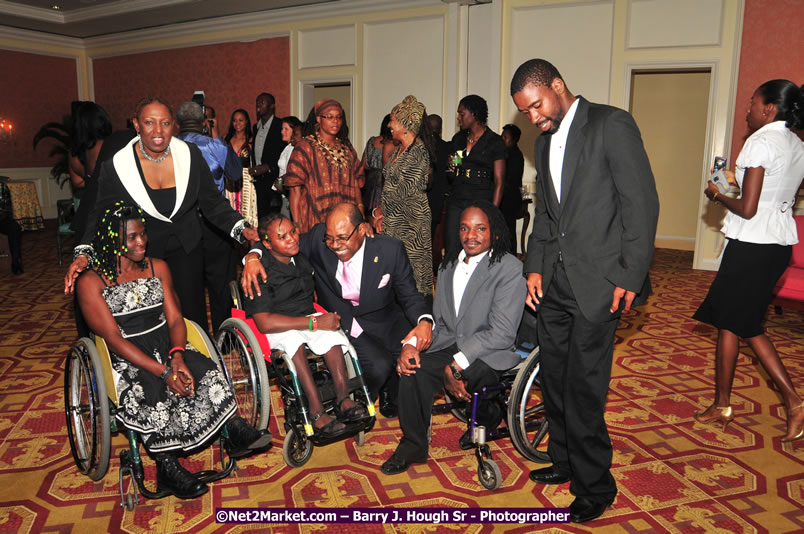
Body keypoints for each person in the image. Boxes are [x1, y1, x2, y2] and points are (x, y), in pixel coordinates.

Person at [510, 59, 659, 523]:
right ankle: (564, 459)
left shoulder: (610, 123)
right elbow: (549, 217)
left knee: (584, 386)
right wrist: (534, 268)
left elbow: (641, 204)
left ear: (558, 86)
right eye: (526, 112)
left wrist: (628, 276)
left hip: (600, 283)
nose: (533, 118)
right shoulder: (545, 139)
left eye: (537, 105)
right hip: (554, 282)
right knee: (554, 376)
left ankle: (596, 484)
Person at [75, 203, 270, 499]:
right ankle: (167, 467)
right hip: (127, 354)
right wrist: (162, 371)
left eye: (143, 234)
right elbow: (113, 339)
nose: (141, 242)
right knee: (150, 389)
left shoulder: (158, 267)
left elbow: (176, 319)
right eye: (131, 238)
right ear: (112, 239)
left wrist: (177, 355)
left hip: (166, 343)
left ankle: (234, 430)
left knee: (204, 367)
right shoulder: (91, 282)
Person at [64, 96, 260, 331]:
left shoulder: (190, 155)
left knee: (191, 316)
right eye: (149, 122)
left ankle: (194, 362)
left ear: (174, 125)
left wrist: (243, 229)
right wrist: (84, 252)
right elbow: (99, 213)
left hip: (187, 248)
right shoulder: (118, 164)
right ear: (136, 125)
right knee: (152, 319)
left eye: (165, 123)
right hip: (142, 254)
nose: (158, 130)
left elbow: (213, 203)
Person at [241, 202, 433, 417]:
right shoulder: (318, 240)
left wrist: (424, 321)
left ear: (361, 230)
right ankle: (355, 398)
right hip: (345, 321)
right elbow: (274, 242)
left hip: (385, 319)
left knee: (422, 362)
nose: (334, 245)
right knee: (379, 366)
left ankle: (390, 389)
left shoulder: (390, 249)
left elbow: (409, 294)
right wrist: (252, 257)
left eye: (342, 238)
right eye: (330, 238)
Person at [694, 79, 804, 443]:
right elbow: (769, 196)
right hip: (776, 244)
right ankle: (722, 403)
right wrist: (733, 183)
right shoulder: (796, 143)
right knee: (731, 320)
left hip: (752, 245)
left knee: (748, 325)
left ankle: (794, 402)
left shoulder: (759, 142)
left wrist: (717, 193)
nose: (748, 109)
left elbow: (748, 208)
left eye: (753, 103)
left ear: (769, 109)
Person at [381, 201, 525, 475]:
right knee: (413, 370)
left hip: (491, 351)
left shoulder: (507, 267)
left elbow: (502, 332)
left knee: (471, 374)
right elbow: (444, 325)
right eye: (465, 228)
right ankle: (413, 443)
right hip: (453, 344)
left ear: (493, 231)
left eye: (480, 228)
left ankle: (488, 416)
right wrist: (412, 346)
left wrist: (456, 365)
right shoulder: (448, 266)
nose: (471, 236)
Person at [243, 213, 370, 437]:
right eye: (282, 237)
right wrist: (313, 323)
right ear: (267, 243)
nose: (292, 239)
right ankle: (315, 410)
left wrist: (317, 323)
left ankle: (342, 400)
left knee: (332, 336)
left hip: (306, 318)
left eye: (293, 231)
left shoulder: (301, 259)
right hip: (277, 326)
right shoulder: (259, 272)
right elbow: (264, 322)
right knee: (294, 341)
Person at [176, 101, 244, 335]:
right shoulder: (215, 145)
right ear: (204, 122)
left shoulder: (170, 148)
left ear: (177, 124)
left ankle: (197, 340)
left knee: (188, 287)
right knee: (221, 285)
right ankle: (225, 337)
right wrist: (217, 138)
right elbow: (235, 174)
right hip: (216, 222)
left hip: (183, 226)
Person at [373, 95, 436, 299]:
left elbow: (405, 192)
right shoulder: (399, 150)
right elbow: (390, 186)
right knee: (395, 272)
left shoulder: (418, 152)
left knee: (413, 275)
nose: (389, 124)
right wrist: (378, 212)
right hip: (394, 222)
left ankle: (419, 318)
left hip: (411, 224)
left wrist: (382, 215)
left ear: (405, 124)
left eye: (392, 120)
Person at [284, 100, 363, 233]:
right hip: (314, 222)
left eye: (338, 117)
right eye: (329, 117)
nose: (335, 121)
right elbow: (295, 192)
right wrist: (297, 227)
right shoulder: (305, 148)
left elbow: (357, 188)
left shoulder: (347, 149)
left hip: (346, 223)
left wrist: (361, 219)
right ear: (318, 119)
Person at [444, 95, 506, 257]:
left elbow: (499, 181)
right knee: (452, 244)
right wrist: (451, 168)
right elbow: (452, 173)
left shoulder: (494, 142)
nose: (459, 118)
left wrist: (492, 213)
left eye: (462, 113)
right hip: (458, 198)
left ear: (474, 114)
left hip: (481, 198)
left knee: (477, 247)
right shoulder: (458, 139)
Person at [250, 93, 287, 217]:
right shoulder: (256, 127)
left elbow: (284, 153)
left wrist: (268, 167)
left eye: (262, 101)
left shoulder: (280, 126)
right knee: (260, 218)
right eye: (257, 101)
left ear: (272, 106)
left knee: (273, 220)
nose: (258, 104)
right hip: (258, 182)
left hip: (274, 182)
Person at [68, 101, 113, 191]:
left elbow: (77, 182)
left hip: (88, 199)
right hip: (108, 199)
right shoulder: (105, 144)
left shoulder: (73, 151)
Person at [360, 114, 395, 227]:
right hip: (387, 185)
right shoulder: (396, 144)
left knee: (369, 219)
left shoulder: (372, 141)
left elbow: (363, 165)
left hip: (370, 185)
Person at [224, 108, 257, 226]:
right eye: (234, 120)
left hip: (247, 181)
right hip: (230, 181)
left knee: (247, 216)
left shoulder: (251, 140)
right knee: (231, 215)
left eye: (241, 120)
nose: (237, 123)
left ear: (247, 121)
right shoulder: (226, 139)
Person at [500, 124, 525, 252]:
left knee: (509, 229)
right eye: (502, 136)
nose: (502, 139)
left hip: (510, 198)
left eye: (505, 137)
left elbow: (512, 180)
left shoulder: (515, 156)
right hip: (505, 196)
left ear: (514, 140)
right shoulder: (504, 154)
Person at [276, 116, 302, 220]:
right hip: (284, 195)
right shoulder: (287, 148)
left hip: (291, 195)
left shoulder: (296, 149)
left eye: (286, 129)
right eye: (282, 129)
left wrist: (281, 182)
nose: (282, 132)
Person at [0, 177, 22, 275]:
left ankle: (15, 263)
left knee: (14, 227)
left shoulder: (2, 187)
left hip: (1, 219)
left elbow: (6, 211)